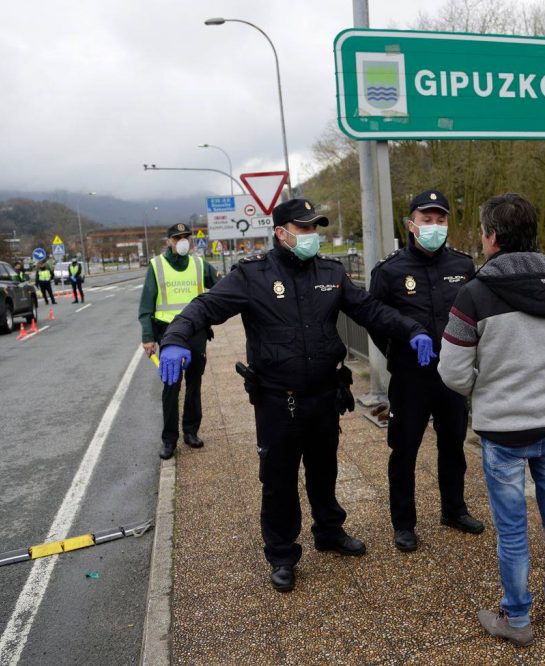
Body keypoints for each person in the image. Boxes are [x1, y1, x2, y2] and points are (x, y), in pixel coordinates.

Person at [157, 198, 434, 594]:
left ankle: (329, 531)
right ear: (281, 233)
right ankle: (282, 553)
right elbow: (205, 307)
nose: (311, 236)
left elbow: (370, 310)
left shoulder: (331, 273)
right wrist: (175, 338)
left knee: (325, 470)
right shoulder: (252, 275)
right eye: (303, 228)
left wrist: (411, 329)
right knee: (279, 479)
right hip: (276, 400)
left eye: (314, 228)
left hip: (323, 395)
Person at [438, 193, 545, 647]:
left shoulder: (473, 294)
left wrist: (487, 393)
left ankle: (517, 619)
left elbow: (452, 371)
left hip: (503, 432)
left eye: (482, 231)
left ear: (492, 237)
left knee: (512, 528)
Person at [369, 189, 483, 552]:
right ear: (411, 224)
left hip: (452, 374)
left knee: (453, 445)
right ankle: (404, 523)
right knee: (404, 451)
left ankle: (454, 509)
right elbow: (375, 321)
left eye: (441, 220)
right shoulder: (389, 272)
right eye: (427, 219)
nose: (434, 226)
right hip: (410, 378)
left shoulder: (463, 267)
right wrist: (398, 352)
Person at [138, 223, 220, 459]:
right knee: (171, 387)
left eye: (186, 237)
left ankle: (191, 431)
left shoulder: (199, 263)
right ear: (169, 242)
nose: (183, 241)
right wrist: (148, 337)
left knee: (195, 384)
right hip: (168, 334)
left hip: (196, 332)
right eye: (177, 238)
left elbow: (222, 288)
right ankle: (169, 440)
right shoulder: (157, 266)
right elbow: (146, 306)